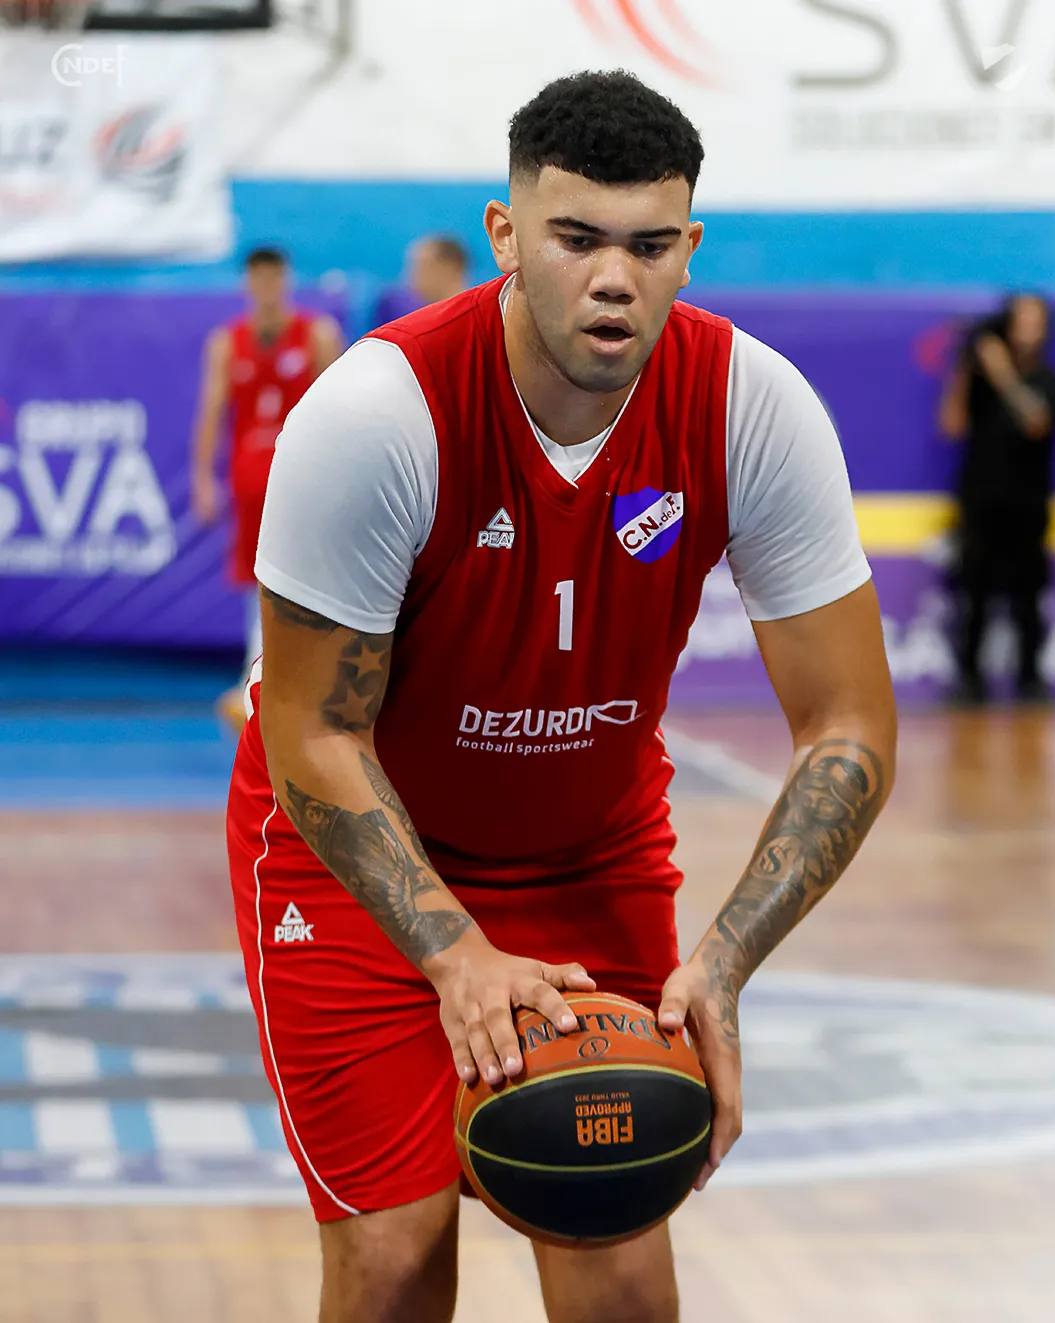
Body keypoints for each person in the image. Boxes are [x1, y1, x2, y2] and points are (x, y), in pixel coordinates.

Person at [227, 71, 897, 1323]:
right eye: (576, 238)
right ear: (505, 233)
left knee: (623, 1273)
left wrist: (726, 961)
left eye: (649, 245)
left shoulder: (751, 405)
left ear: (690, 248)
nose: (612, 278)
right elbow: (314, 728)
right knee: (393, 1261)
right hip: (358, 855)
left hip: (590, 850)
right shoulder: (379, 413)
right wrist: (453, 953)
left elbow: (848, 728)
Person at [190, 246, 343, 729]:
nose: (268, 288)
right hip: (250, 478)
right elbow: (212, 411)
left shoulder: (316, 333)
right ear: (248, 284)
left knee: (308, 571)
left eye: (275, 278)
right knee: (255, 577)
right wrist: (202, 479)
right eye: (259, 279)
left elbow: (341, 406)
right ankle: (255, 678)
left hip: (304, 474)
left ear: (287, 280)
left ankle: (304, 678)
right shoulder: (228, 341)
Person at [939, 294, 1055, 703]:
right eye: (1021, 320)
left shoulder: (1052, 382)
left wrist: (1001, 372)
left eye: (1036, 322)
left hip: (1028, 505)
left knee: (1028, 594)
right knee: (974, 592)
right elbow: (952, 425)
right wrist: (966, 369)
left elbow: (1036, 422)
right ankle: (969, 680)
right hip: (980, 501)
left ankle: (1030, 679)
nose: (1028, 330)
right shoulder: (980, 383)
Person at [370, 234, 471, 326]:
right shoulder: (408, 316)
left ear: (451, 269)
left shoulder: (473, 321)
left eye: (423, 267)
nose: (413, 276)